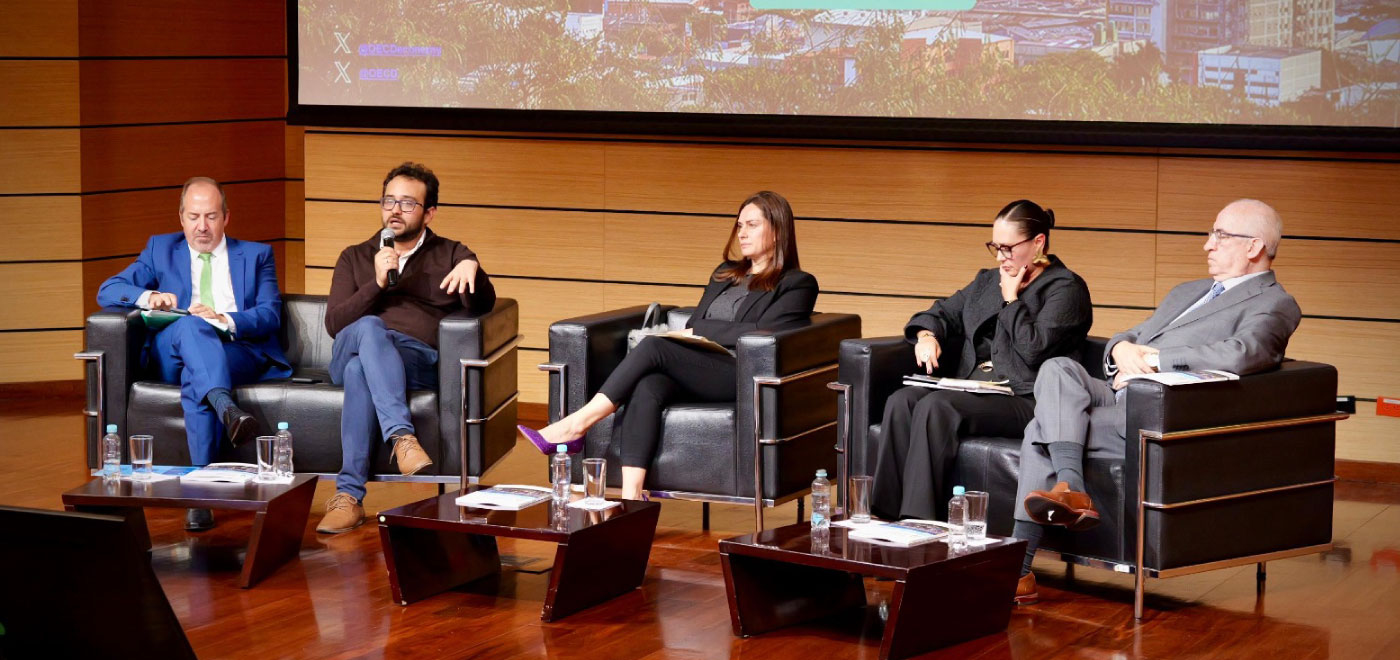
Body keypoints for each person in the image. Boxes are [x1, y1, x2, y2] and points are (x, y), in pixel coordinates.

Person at [1010, 199, 1301, 604]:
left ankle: (1020, 569)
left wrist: (1154, 359)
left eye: (1220, 235)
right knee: (1058, 368)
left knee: (1042, 426)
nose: (1207, 245)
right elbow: (1126, 335)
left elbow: (1243, 353)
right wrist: (1121, 350)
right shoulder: (1188, 291)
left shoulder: (1275, 303)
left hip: (1164, 407)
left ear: (1254, 246)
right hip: (1120, 391)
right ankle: (1070, 485)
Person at [519, 191, 818, 501]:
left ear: (778, 230)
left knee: (652, 347)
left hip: (741, 374)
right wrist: (704, 330)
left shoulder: (797, 283)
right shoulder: (724, 274)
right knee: (649, 385)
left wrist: (701, 329)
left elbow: (762, 332)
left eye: (752, 225)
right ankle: (633, 496)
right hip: (702, 364)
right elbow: (703, 321)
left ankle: (576, 425)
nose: (741, 233)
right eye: (739, 225)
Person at [870, 200, 1093, 521]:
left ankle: (918, 525)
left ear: (1038, 243)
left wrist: (1013, 299)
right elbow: (942, 312)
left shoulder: (1066, 289)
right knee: (902, 401)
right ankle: (884, 519)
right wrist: (926, 336)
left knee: (938, 407)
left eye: (1007, 248)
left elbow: (1034, 349)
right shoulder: (988, 281)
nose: (1001, 257)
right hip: (974, 389)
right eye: (995, 247)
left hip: (1026, 398)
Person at [97, 177, 291, 531]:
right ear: (181, 218)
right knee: (190, 326)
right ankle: (227, 410)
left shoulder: (257, 255)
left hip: (235, 350)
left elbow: (269, 314)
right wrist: (148, 298)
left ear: (226, 218)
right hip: (173, 349)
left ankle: (199, 492)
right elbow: (109, 289)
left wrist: (225, 319)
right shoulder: (160, 249)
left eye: (212, 217)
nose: (202, 226)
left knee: (198, 374)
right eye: (194, 216)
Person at [316, 162, 496, 534]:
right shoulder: (355, 256)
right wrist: (377, 283)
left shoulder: (450, 254)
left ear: (429, 213)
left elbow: (483, 306)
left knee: (359, 371)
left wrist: (473, 270)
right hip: (352, 344)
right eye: (389, 201)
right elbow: (335, 324)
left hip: (414, 359)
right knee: (367, 328)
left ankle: (349, 497)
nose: (395, 210)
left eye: (407, 204)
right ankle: (402, 437)